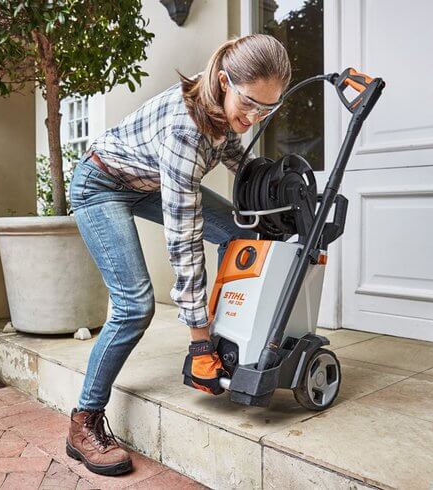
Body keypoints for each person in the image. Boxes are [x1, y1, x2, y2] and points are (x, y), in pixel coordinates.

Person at [65, 34, 291, 476]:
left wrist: (272, 188)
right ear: (225, 82)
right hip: (101, 185)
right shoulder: (186, 130)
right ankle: (83, 421)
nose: (255, 117)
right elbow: (184, 240)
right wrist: (197, 339)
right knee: (133, 307)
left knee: (243, 236)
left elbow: (235, 158)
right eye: (249, 103)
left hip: (147, 181)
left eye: (268, 109)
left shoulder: (228, 112)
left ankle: (230, 335)